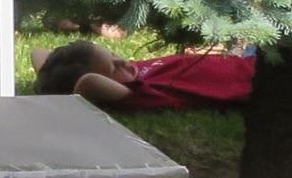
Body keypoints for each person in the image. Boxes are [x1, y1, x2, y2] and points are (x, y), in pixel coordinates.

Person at [33, 39, 255, 111]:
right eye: (113, 68)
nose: (122, 62)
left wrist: (48, 73)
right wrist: (65, 100)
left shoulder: (129, 71)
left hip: (246, 59)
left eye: (113, 54)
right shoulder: (139, 93)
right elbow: (88, 82)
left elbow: (37, 52)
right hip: (252, 77)